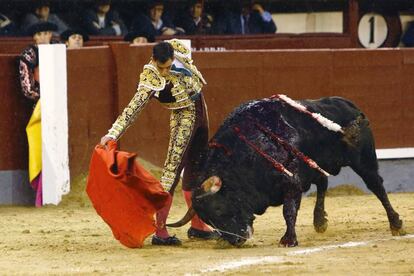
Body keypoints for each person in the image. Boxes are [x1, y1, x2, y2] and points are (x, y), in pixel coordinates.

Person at [100, 39, 219, 245]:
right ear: (154, 60)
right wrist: (113, 134)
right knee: (171, 173)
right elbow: (133, 108)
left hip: (201, 109)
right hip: (183, 118)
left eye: (167, 67)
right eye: (160, 67)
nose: (164, 72)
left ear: (173, 58)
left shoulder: (179, 50)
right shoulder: (150, 78)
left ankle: (198, 225)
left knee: (198, 169)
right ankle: (160, 232)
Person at [18, 22, 57, 208]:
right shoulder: (29, 56)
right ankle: (42, 198)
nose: (44, 36)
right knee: (44, 151)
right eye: (40, 33)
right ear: (34, 36)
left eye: (47, 32)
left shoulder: (58, 51)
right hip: (40, 108)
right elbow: (27, 89)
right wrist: (47, 97)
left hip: (60, 107)